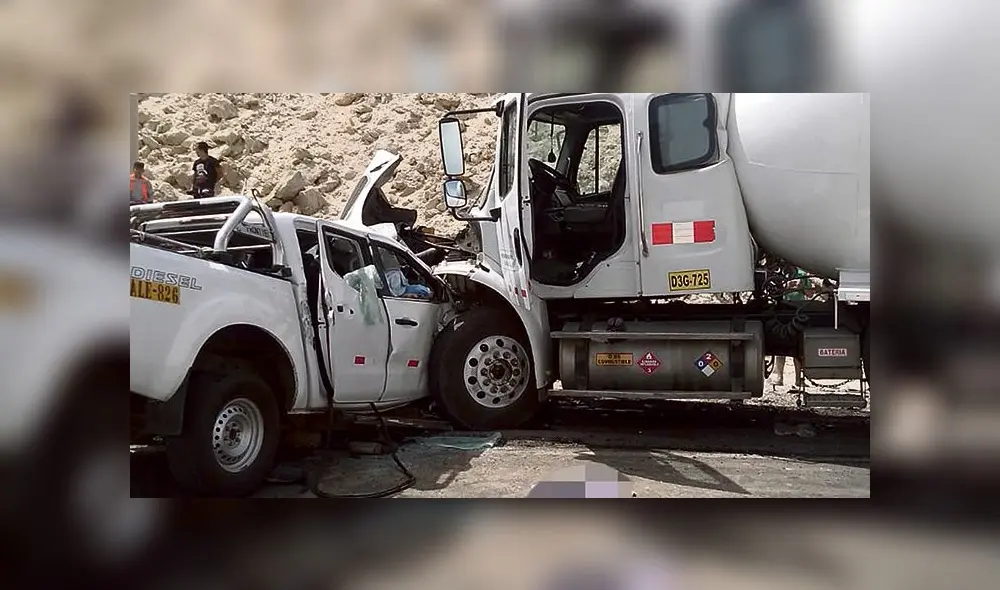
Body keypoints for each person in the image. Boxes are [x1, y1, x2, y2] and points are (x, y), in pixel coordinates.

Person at [772, 267, 819, 388]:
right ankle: (779, 377)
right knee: (780, 345)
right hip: (783, 310)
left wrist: (801, 287)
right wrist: (787, 285)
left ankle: (799, 379)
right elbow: (774, 291)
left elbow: (810, 293)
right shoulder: (781, 271)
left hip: (799, 311)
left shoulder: (803, 274)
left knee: (798, 349)